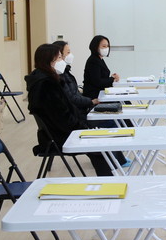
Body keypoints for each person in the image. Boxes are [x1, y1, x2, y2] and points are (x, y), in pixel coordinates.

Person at [25, 44, 114, 176]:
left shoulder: (43, 80)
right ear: (49, 61)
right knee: (99, 147)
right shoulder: (47, 86)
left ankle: (108, 182)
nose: (62, 60)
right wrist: (85, 128)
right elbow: (64, 118)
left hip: (56, 133)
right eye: (59, 58)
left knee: (99, 143)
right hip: (62, 136)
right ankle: (108, 184)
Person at [53, 40, 98, 115]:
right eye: (68, 52)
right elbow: (71, 98)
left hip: (78, 111)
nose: (70, 55)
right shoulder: (60, 76)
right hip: (76, 114)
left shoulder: (65, 72)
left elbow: (74, 94)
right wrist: (91, 101)